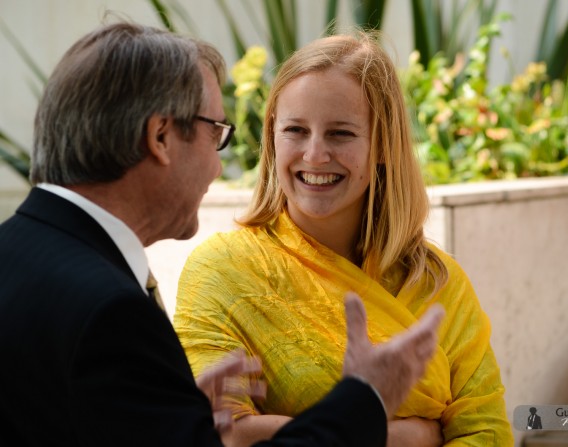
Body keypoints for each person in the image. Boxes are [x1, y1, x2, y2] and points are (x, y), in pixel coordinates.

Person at [0, 21, 448, 447]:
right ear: (160, 137)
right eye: (216, 132)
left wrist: (179, 414)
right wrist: (366, 398)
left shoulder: (15, 252)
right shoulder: (110, 313)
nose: (218, 166)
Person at [175, 32, 514, 446]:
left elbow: (488, 432)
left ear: (383, 145)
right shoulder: (221, 269)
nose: (315, 154)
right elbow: (226, 434)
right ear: (272, 137)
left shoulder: (439, 283)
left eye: (340, 134)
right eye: (296, 130)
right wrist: (415, 437)